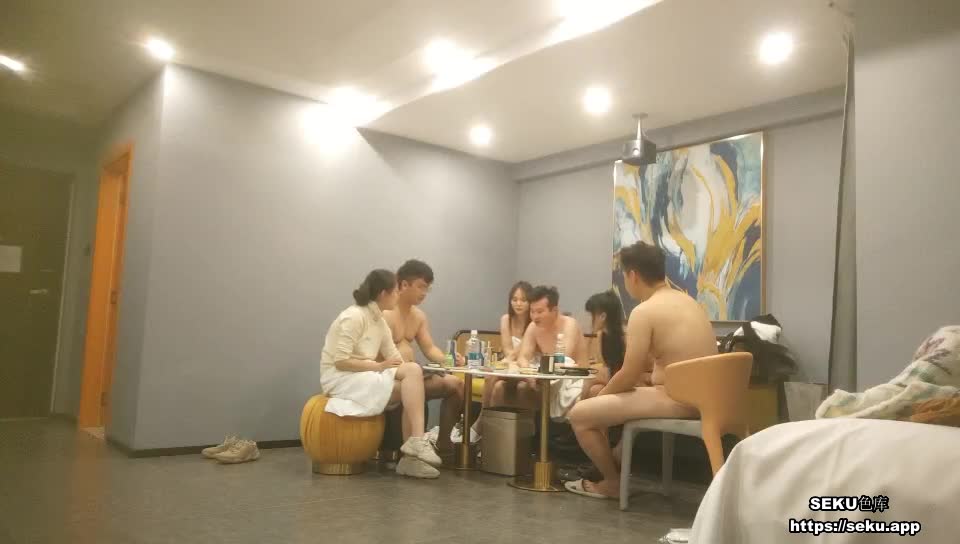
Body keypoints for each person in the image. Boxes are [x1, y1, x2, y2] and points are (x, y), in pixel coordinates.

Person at [564, 241, 718, 499]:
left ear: (633, 275)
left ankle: (612, 483)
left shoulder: (644, 311)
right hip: (709, 398)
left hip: (680, 399)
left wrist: (601, 398)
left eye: (624, 276)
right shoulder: (689, 302)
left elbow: (628, 374)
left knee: (580, 414)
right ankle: (616, 462)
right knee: (603, 407)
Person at [319, 268, 442, 479]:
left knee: (412, 374)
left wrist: (414, 374)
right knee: (409, 388)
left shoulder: (379, 321)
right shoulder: (353, 316)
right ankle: (412, 454)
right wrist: (378, 367)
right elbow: (340, 361)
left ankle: (415, 444)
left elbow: (396, 359)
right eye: (395, 291)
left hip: (364, 374)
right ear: (383, 294)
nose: (398, 296)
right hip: (340, 377)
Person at [382, 259, 465, 455]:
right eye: (420, 287)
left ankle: (444, 442)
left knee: (456, 384)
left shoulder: (418, 316)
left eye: (427, 288)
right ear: (404, 285)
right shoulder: (386, 313)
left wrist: (448, 359)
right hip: (391, 376)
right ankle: (411, 451)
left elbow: (429, 348)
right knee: (412, 380)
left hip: (415, 374)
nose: (424, 293)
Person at [493, 285, 589, 418]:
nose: (534, 316)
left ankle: (540, 428)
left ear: (554, 310)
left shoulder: (569, 324)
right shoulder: (534, 327)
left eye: (539, 312)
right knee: (509, 387)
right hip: (548, 379)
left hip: (573, 380)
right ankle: (515, 428)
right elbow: (523, 357)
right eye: (532, 311)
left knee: (524, 389)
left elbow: (563, 359)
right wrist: (528, 372)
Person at [581, 290, 628, 400]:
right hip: (612, 379)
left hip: (629, 380)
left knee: (590, 376)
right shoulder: (600, 336)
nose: (587, 319)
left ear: (602, 316)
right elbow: (587, 361)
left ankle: (572, 409)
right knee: (594, 390)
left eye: (590, 314)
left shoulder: (626, 336)